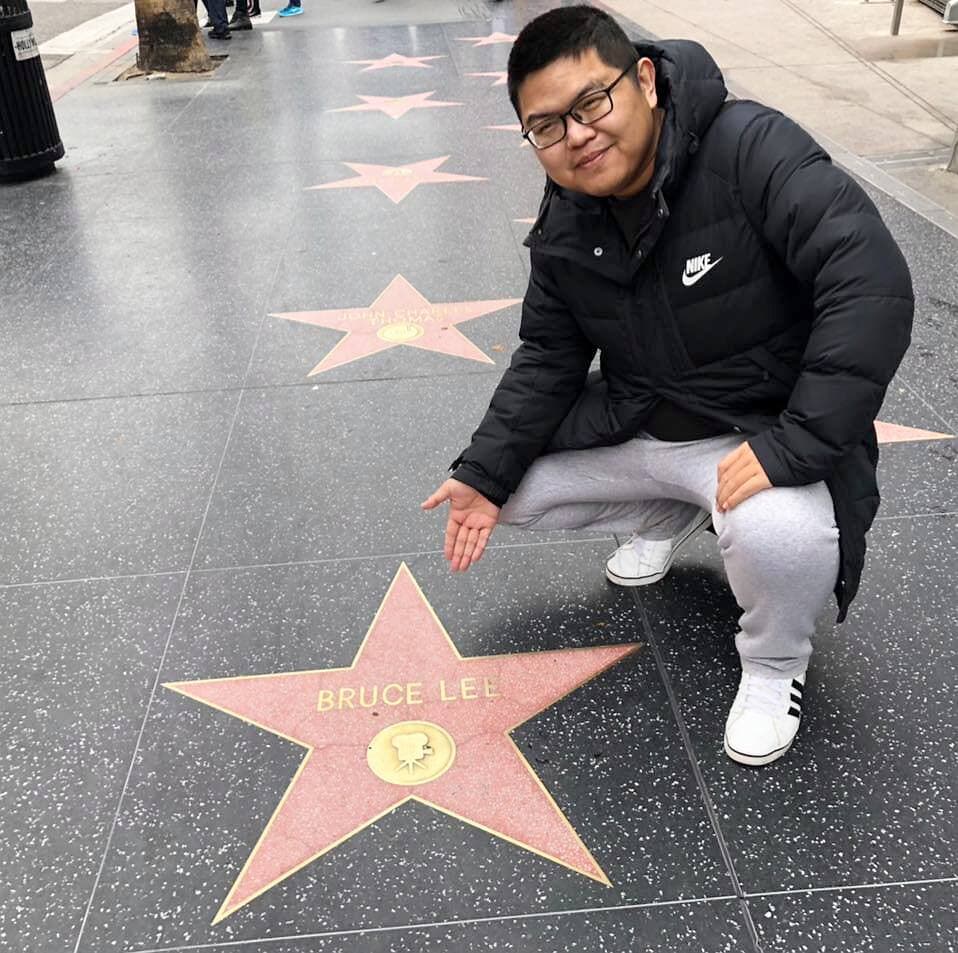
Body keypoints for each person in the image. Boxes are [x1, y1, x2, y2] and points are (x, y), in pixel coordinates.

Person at [422, 6, 913, 767]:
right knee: (504, 497)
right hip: (645, 423)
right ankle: (669, 512)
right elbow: (548, 355)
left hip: (757, 429)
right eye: (547, 126)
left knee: (780, 536)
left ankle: (775, 664)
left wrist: (799, 444)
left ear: (644, 80)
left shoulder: (751, 147)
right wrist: (481, 472)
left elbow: (868, 282)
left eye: (591, 104)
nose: (577, 136)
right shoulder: (567, 216)